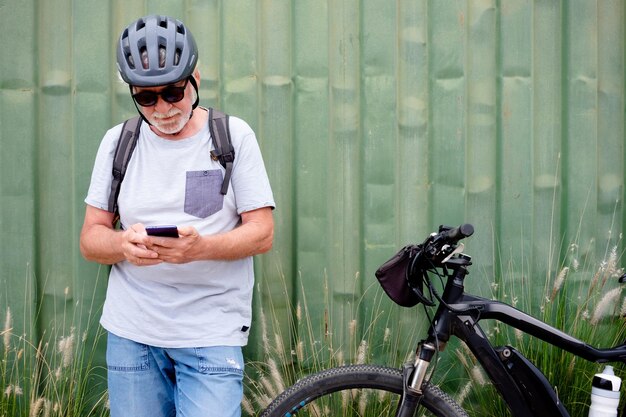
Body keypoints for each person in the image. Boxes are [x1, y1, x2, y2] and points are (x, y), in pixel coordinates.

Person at [79, 15, 275, 417]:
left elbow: (262, 233)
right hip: (133, 336)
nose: (163, 108)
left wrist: (201, 248)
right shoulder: (118, 143)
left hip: (211, 334)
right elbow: (90, 239)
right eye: (147, 98)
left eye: (173, 92)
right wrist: (121, 244)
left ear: (195, 78)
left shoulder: (232, 137)